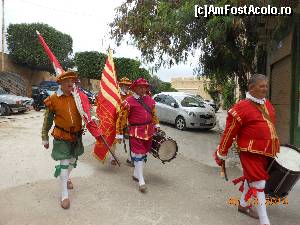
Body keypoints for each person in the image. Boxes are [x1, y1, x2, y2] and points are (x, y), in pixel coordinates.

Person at [214, 74, 280, 225]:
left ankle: (243, 205)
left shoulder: (267, 104)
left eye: (266, 86)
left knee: (253, 179)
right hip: (249, 151)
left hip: (266, 151)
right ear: (251, 88)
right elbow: (229, 133)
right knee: (260, 183)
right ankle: (265, 221)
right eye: (262, 86)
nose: (265, 89)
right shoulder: (240, 108)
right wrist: (222, 152)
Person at [41, 71, 84, 209]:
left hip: (76, 136)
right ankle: (64, 195)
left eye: (72, 81)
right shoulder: (53, 99)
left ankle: (66, 177)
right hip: (61, 136)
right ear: (60, 83)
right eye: (67, 81)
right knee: (64, 162)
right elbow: (47, 120)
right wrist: (44, 136)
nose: (70, 84)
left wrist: (92, 118)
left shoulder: (77, 97)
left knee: (73, 160)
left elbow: (86, 112)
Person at [116, 78, 160, 192]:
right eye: (140, 87)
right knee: (138, 155)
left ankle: (136, 174)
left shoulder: (150, 100)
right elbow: (121, 119)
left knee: (144, 153)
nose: (143, 89)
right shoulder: (128, 101)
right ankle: (141, 180)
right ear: (135, 88)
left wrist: (156, 124)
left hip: (149, 131)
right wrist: (119, 133)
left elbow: (154, 114)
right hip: (135, 131)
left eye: (144, 87)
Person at [118, 77, 134, 167]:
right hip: (118, 119)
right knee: (116, 138)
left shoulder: (131, 94)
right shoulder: (116, 94)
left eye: (128, 85)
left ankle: (130, 158)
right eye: (125, 85)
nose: (127, 87)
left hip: (129, 121)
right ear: (121, 85)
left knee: (132, 140)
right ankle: (113, 157)